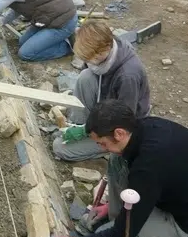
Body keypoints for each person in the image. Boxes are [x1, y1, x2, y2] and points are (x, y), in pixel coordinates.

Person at [39, 99, 188, 237]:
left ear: (119, 133)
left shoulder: (149, 167)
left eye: (103, 143)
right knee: (117, 160)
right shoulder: (142, 127)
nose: (102, 148)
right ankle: (118, 217)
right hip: (179, 200)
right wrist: (112, 208)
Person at [52, 21, 151, 162]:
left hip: (122, 127)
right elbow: (88, 75)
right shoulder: (101, 54)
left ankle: (110, 149)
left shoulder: (128, 77)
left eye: (92, 58)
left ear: (104, 49)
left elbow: (124, 121)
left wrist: (85, 131)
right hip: (106, 106)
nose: (89, 62)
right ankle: (76, 125)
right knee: (85, 76)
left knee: (59, 147)